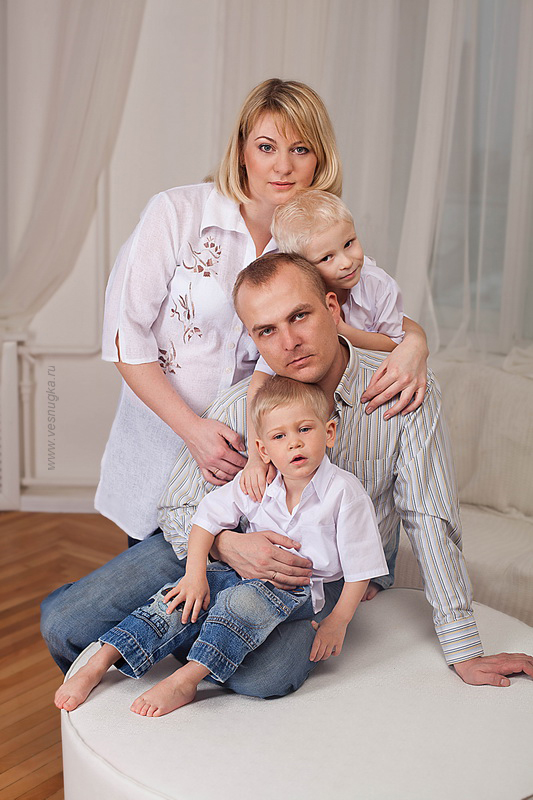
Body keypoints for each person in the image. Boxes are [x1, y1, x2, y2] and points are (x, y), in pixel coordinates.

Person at [41, 252, 533, 691]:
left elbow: (429, 518)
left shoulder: (400, 388)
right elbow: (179, 505)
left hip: (318, 569)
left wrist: (464, 648)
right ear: (253, 338)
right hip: (217, 542)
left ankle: (165, 638)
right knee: (64, 624)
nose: (290, 342)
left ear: (332, 309)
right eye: (266, 331)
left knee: (268, 674)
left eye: (300, 316)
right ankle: (180, 634)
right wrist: (227, 546)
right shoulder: (243, 402)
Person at [94, 77, 429, 543]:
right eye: (266, 147)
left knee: (234, 581)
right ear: (241, 150)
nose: (283, 166)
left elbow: (375, 305)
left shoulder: (318, 239)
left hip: (257, 467)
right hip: (162, 447)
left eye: (300, 149)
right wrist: (193, 431)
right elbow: (124, 336)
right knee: (150, 580)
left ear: (320, 159)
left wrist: (415, 344)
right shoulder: (176, 213)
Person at [54, 377, 388, 716]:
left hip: (298, 589)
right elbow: (205, 520)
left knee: (243, 604)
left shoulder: (344, 493)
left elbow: (360, 567)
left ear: (329, 432)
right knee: (178, 599)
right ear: (263, 450)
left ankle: (187, 678)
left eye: (304, 429)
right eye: (279, 436)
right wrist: (194, 575)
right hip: (238, 572)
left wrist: (338, 621)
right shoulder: (257, 482)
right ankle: (102, 660)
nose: (294, 443)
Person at [240, 189, 408, 502]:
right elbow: (257, 385)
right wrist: (255, 456)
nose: (346, 263)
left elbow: (392, 343)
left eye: (349, 243)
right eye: (327, 258)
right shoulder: (287, 315)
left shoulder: (378, 285)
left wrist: (340, 330)